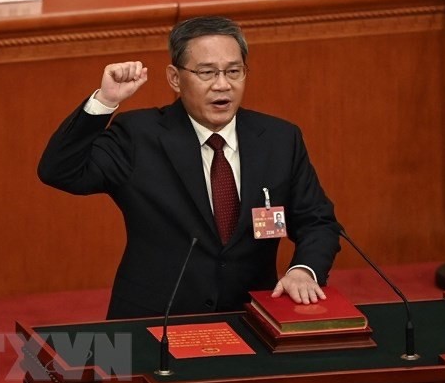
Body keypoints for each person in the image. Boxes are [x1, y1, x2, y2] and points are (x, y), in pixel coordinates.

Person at [38, 16, 341, 319]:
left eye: (234, 71)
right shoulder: (138, 136)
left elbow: (317, 221)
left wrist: (304, 270)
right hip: (156, 321)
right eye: (206, 72)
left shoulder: (279, 139)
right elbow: (60, 171)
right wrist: (105, 101)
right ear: (174, 78)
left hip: (251, 319)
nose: (222, 85)